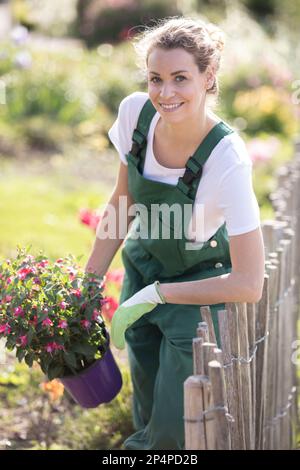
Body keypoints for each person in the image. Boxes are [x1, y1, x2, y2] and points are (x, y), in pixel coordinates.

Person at [85, 16, 265, 450]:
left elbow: (249, 283)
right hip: (143, 267)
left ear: (209, 77)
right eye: (156, 78)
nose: (165, 93)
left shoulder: (227, 160)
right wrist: (90, 281)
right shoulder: (136, 115)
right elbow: (123, 201)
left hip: (199, 284)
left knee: (173, 424)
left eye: (180, 78)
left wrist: (163, 294)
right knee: (146, 396)